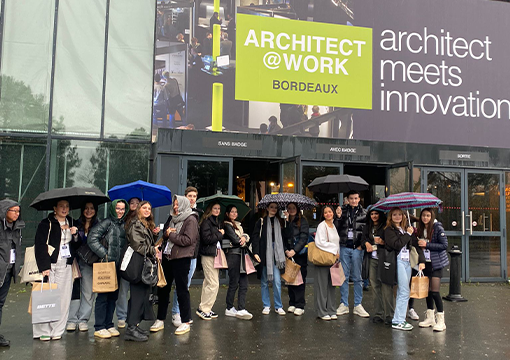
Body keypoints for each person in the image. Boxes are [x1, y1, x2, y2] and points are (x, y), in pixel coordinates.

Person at [151, 195, 198, 336]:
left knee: (182, 289)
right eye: (174, 204)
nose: (176, 207)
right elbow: (165, 233)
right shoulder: (172, 217)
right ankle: (160, 319)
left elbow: (188, 240)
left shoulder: (191, 219)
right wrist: (166, 233)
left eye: (178, 204)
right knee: (163, 289)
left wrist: (171, 235)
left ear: (184, 204)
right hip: (167, 257)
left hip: (181, 258)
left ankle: (185, 321)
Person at [34, 199, 79, 341]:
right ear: (55, 208)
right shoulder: (46, 223)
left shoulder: (72, 222)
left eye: (67, 206)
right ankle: (43, 330)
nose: (64, 209)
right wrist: (44, 267)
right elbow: (40, 245)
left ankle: (58, 329)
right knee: (45, 296)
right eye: (61, 206)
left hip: (66, 264)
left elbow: (78, 245)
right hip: (50, 264)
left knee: (64, 297)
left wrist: (76, 234)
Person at [87, 199, 128, 339]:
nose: (120, 211)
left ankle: (109, 324)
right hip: (106, 265)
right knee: (103, 297)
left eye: (122, 209)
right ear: (112, 208)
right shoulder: (106, 222)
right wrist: (105, 254)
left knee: (113, 297)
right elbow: (92, 238)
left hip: (117, 266)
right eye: (118, 208)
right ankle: (99, 326)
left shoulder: (123, 224)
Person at [383, 207, 425, 331]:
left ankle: (399, 319)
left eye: (400, 214)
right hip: (398, 261)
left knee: (404, 291)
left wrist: (421, 260)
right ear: (391, 217)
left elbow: (414, 245)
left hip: (407, 262)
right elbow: (397, 244)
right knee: (404, 291)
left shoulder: (405, 229)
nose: (397, 217)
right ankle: (398, 320)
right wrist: (407, 234)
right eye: (394, 215)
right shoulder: (389, 230)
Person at [124, 201, 159, 341]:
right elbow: (138, 245)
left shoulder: (144, 224)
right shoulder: (135, 224)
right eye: (144, 207)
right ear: (138, 209)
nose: (147, 210)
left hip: (142, 263)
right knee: (137, 296)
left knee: (141, 295)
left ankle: (134, 325)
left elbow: (146, 243)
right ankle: (131, 329)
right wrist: (153, 250)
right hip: (137, 264)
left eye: (149, 208)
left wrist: (154, 235)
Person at [170, 186, 202, 327]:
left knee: (185, 285)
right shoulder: (176, 212)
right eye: (190, 195)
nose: (192, 198)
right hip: (178, 253)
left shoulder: (197, 214)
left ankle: (181, 312)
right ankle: (176, 312)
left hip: (192, 254)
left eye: (194, 196)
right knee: (180, 285)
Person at [334, 190, 369, 317]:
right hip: (344, 246)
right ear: (347, 199)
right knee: (343, 276)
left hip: (357, 247)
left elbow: (367, 231)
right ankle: (344, 304)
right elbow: (335, 228)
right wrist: (337, 217)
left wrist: (362, 245)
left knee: (357, 276)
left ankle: (358, 304)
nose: (353, 200)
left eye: (356, 198)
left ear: (359, 199)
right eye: (351, 198)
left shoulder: (365, 213)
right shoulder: (341, 210)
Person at [67, 202, 99, 332]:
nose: (88, 211)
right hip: (75, 260)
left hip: (89, 262)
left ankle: (83, 319)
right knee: (74, 291)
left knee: (87, 292)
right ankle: (72, 320)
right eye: (86, 208)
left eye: (92, 208)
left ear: (95, 210)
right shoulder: (75, 223)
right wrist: (74, 234)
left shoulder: (99, 225)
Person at [417, 208, 449, 332]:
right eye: (423, 215)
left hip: (437, 263)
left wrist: (427, 245)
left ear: (432, 216)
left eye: (428, 215)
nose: (425, 218)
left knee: (435, 291)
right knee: (427, 291)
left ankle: (441, 320)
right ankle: (430, 317)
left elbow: (444, 245)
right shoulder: (420, 229)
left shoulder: (438, 228)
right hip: (426, 264)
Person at [252, 202, 286, 316]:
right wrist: (256, 253)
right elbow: (255, 238)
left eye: (276, 207)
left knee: (277, 281)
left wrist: (287, 219)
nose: (274, 209)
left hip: (277, 254)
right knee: (264, 281)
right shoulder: (261, 222)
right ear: (267, 208)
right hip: (264, 253)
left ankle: (278, 306)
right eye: (271, 207)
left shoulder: (280, 221)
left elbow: (286, 236)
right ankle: (266, 305)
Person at [223, 205, 256, 320]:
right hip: (233, 255)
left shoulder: (237, 225)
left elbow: (245, 237)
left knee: (244, 283)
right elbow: (236, 240)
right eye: (232, 212)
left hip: (241, 255)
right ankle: (229, 307)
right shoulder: (227, 225)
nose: (234, 214)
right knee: (234, 282)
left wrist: (244, 237)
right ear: (227, 213)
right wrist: (242, 239)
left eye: (236, 212)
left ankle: (241, 308)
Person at [361, 210, 394, 324]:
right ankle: (378, 313)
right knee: (375, 286)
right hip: (372, 260)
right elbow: (363, 239)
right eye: (372, 214)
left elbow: (392, 242)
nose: (374, 216)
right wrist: (366, 243)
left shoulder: (386, 226)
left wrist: (383, 242)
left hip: (384, 259)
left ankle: (389, 314)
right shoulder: (367, 227)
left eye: (376, 213)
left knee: (386, 286)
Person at [0, 200, 24, 347]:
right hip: (1, 268)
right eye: (13, 211)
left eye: (18, 211)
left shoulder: (17, 227)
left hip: (8, 272)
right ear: (4, 211)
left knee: (0, 303)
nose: (17, 214)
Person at [196, 202, 224, 320]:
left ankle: (205, 307)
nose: (217, 210)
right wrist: (219, 233)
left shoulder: (215, 222)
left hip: (213, 254)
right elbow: (206, 239)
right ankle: (204, 309)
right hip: (208, 255)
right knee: (214, 283)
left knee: (208, 282)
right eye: (215, 208)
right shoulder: (207, 222)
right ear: (210, 209)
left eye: (218, 208)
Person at [117, 197, 141, 328]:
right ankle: (122, 316)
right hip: (126, 256)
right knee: (123, 288)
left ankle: (133, 316)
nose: (135, 205)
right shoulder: (123, 220)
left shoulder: (145, 219)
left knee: (136, 290)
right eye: (132, 203)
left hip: (138, 258)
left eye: (138, 203)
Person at [314, 206, 340, 320]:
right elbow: (320, 242)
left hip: (333, 259)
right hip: (324, 260)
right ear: (323, 215)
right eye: (325, 212)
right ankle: (322, 311)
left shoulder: (334, 226)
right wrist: (334, 249)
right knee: (322, 286)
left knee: (331, 285)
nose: (328, 214)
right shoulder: (322, 225)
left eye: (330, 211)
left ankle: (331, 309)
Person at [283, 203, 309, 316]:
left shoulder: (303, 221)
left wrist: (295, 250)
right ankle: (292, 302)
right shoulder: (286, 222)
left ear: (297, 209)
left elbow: (304, 238)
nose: (292, 210)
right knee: (290, 278)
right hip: (289, 254)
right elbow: (283, 236)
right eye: (289, 208)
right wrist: (286, 251)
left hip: (300, 255)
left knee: (300, 280)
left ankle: (300, 305)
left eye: (293, 208)